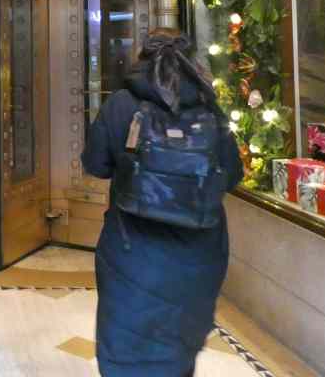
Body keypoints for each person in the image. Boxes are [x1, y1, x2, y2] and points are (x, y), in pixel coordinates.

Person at [82, 29, 244, 377]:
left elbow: (95, 164)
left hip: (132, 251)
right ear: (190, 60)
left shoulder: (121, 104)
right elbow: (232, 175)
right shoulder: (209, 106)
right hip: (198, 254)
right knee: (178, 349)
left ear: (142, 57)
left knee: (126, 344)